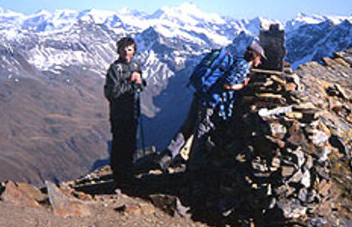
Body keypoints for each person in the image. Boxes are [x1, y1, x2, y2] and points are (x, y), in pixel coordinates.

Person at [156, 43, 266, 172]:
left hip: (201, 96)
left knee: (187, 128)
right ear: (255, 56)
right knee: (201, 134)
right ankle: (193, 169)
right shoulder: (243, 66)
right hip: (211, 103)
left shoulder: (236, 59)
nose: (261, 62)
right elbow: (227, 84)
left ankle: (165, 158)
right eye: (260, 58)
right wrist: (242, 85)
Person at [104, 36, 146, 187]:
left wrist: (139, 82)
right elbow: (112, 93)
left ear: (134, 51)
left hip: (132, 112)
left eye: (129, 49)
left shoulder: (135, 66)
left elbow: (141, 85)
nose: (126, 53)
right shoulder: (115, 69)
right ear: (118, 51)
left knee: (130, 144)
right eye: (123, 49)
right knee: (120, 145)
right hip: (119, 114)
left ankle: (128, 174)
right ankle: (120, 177)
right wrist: (131, 81)